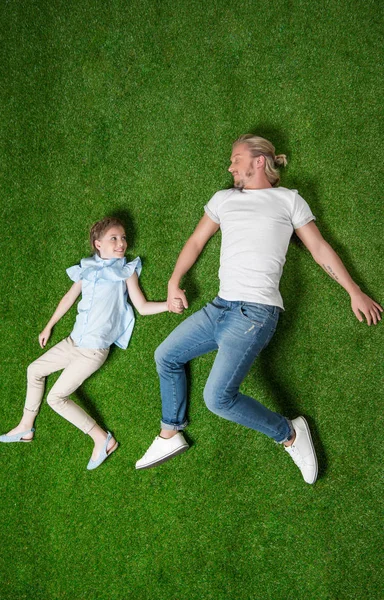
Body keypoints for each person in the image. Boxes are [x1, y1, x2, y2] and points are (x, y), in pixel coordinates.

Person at [135, 134, 382, 484]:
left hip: (255, 314)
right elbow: (195, 241)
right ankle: (170, 432)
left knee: (217, 399)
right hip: (219, 307)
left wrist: (354, 291)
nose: (230, 165)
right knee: (166, 355)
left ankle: (290, 433)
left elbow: (319, 248)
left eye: (236, 158)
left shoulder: (288, 201)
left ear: (259, 162)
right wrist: (174, 281)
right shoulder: (224, 200)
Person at [0, 216, 183, 470]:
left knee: (56, 398)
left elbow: (141, 306)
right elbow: (68, 298)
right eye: (114, 239)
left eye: (124, 238)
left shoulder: (125, 272)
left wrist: (167, 306)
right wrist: (48, 326)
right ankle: (26, 426)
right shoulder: (87, 269)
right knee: (34, 370)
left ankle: (101, 438)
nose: (121, 244)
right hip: (72, 342)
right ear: (98, 244)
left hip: (93, 350)